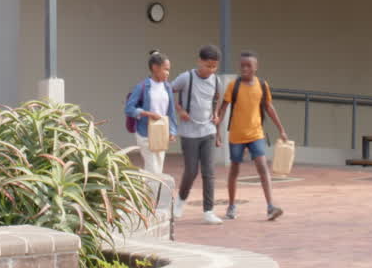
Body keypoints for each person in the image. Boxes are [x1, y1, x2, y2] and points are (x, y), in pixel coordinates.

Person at [216, 51, 289, 221]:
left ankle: (271, 206)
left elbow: (269, 107)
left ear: (256, 67)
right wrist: (217, 133)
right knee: (234, 171)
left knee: (263, 168)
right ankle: (232, 206)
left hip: (256, 134)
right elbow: (222, 109)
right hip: (236, 135)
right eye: (242, 65)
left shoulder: (262, 85)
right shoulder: (233, 86)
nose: (245, 68)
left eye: (248, 65)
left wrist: (281, 129)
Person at [171, 45, 225, 225]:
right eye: (208, 65)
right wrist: (179, 110)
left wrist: (216, 116)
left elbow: (217, 101)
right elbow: (168, 91)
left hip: (208, 131)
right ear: (199, 61)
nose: (211, 70)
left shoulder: (216, 81)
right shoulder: (186, 78)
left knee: (209, 173)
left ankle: (208, 211)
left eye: (214, 66)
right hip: (189, 133)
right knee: (191, 171)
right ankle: (179, 201)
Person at [124, 50, 178, 177]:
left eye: (168, 70)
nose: (168, 73)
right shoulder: (142, 86)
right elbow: (129, 109)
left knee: (158, 169)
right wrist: (148, 114)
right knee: (152, 169)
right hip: (145, 133)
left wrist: (173, 131)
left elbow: (171, 111)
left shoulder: (167, 87)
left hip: (161, 132)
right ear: (155, 68)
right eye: (165, 69)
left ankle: (150, 195)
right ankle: (150, 196)